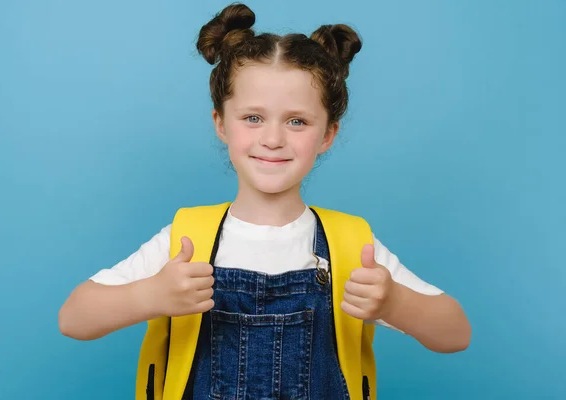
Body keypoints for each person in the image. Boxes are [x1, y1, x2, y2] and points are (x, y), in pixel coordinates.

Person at [58, 3, 471, 399]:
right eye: (253, 117)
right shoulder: (185, 241)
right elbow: (74, 318)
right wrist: (150, 296)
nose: (273, 139)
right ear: (221, 123)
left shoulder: (351, 245)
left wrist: (395, 302)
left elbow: (455, 334)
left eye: (297, 121)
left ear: (328, 134)